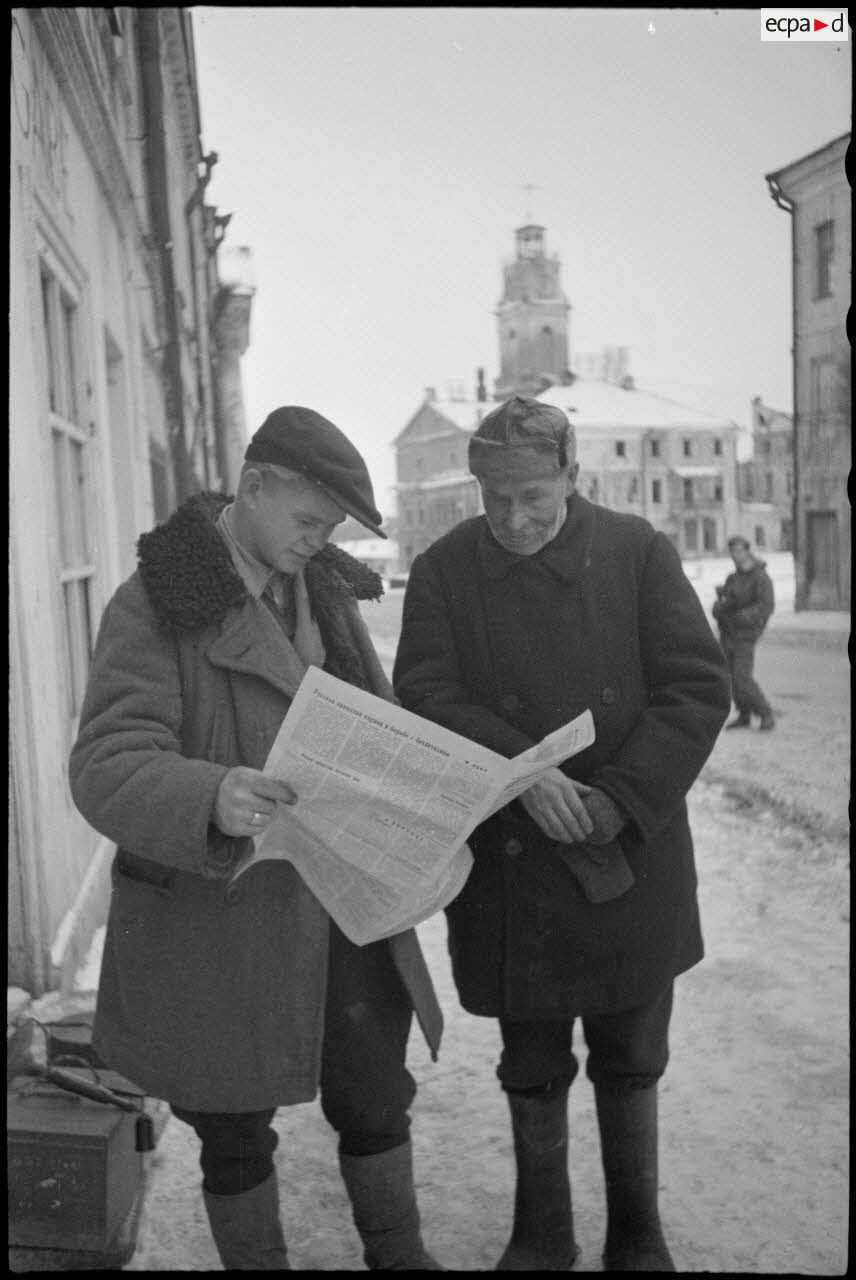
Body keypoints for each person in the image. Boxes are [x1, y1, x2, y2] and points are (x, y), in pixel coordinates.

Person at [69, 406, 444, 1271]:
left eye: (331, 528)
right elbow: (105, 763)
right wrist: (211, 793)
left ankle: (403, 1258)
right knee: (234, 1128)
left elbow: (373, 720)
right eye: (308, 520)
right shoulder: (157, 602)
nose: (319, 541)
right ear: (253, 486)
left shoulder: (326, 593)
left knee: (376, 1092)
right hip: (219, 915)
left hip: (338, 897)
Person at [393, 396, 731, 1272]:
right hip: (514, 865)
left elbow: (696, 689)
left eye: (535, 496)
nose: (514, 518)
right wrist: (520, 772)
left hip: (629, 853)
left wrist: (619, 798)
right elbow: (425, 695)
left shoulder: (636, 553)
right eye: (495, 498)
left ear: (573, 478)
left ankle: (637, 1233)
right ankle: (541, 1233)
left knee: (631, 1056)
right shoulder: (444, 571)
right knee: (532, 1059)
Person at [713, 535, 776, 731]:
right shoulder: (732, 578)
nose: (735, 555)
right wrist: (719, 607)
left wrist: (742, 616)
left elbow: (766, 606)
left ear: (748, 551)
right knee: (730, 676)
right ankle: (744, 713)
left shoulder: (761, 578)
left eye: (739, 550)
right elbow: (724, 603)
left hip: (745, 634)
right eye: (732, 551)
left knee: (742, 676)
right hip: (728, 632)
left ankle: (765, 713)